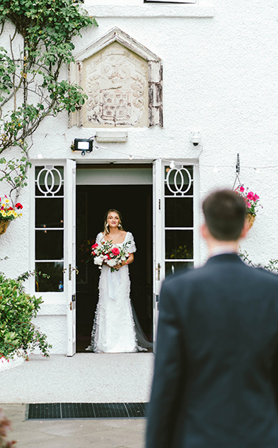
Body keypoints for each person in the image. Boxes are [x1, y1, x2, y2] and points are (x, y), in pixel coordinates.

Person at [146, 189, 278, 448]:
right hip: (261, 434)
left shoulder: (178, 289)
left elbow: (167, 378)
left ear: (204, 229)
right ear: (244, 229)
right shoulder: (272, 289)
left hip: (199, 436)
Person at [89, 209, 140, 353]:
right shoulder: (101, 236)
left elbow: (131, 257)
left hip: (122, 274)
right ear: (106, 221)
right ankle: (106, 343)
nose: (113, 220)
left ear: (119, 221)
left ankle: (126, 343)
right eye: (110, 218)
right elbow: (97, 256)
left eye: (116, 218)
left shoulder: (127, 235)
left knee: (121, 303)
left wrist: (121, 263)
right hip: (106, 275)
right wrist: (107, 262)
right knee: (107, 303)